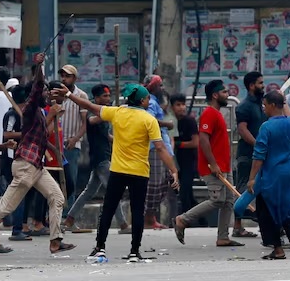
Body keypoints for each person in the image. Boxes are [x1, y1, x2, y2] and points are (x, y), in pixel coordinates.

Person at [60, 82, 180, 262]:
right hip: (139, 172)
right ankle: (134, 252)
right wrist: (173, 170)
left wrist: (69, 95)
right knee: (137, 211)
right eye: (147, 97)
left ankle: (100, 247)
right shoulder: (149, 120)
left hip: (117, 170)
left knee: (107, 210)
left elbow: (89, 106)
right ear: (141, 100)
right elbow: (161, 148)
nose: (149, 100)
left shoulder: (117, 112)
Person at [0, 53, 75, 255]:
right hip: (26, 165)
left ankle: (55, 241)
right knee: (5, 207)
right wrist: (39, 67)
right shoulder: (30, 108)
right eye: (45, 91)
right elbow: (37, 89)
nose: (46, 93)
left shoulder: (41, 113)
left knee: (57, 197)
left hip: (36, 166)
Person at [234, 91, 290, 260]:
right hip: (289, 171)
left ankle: (278, 249)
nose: (263, 108)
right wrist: (283, 100)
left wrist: (252, 178)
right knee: (289, 206)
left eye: (265, 105)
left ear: (273, 105)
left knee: (267, 209)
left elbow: (259, 155)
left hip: (271, 173)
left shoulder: (266, 127)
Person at [174, 80, 240, 247]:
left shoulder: (217, 113)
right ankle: (183, 219)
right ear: (215, 95)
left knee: (228, 200)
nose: (227, 95)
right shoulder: (209, 113)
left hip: (224, 165)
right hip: (214, 166)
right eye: (224, 92)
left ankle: (223, 237)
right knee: (217, 200)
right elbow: (203, 139)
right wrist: (213, 163)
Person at [64, 85, 130, 233]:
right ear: (97, 98)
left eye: (108, 96)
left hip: (103, 157)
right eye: (104, 96)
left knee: (89, 192)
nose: (107, 99)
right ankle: (124, 225)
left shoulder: (105, 114)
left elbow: (106, 136)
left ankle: (69, 220)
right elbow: (92, 121)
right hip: (101, 159)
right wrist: (114, 111)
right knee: (114, 190)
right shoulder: (93, 114)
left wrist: (121, 141)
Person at [233, 71, 264, 238]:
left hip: (259, 155)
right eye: (260, 83)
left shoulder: (259, 104)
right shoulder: (245, 106)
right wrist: (257, 145)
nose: (263, 86)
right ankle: (237, 226)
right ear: (252, 85)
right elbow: (243, 130)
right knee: (243, 188)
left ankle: (263, 222)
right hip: (247, 155)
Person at [144, 75, 175, 230]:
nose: (162, 88)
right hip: (155, 149)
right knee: (155, 184)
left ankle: (151, 216)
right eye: (160, 85)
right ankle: (148, 217)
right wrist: (166, 123)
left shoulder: (156, 103)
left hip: (163, 148)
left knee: (166, 183)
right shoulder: (150, 102)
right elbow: (148, 120)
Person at [0, 85, 31, 241]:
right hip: (12, 159)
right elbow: (7, 134)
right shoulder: (13, 114)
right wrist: (26, 133)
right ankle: (16, 228)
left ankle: (18, 225)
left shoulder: (24, 114)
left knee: (19, 195)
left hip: (23, 158)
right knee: (17, 195)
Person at [58, 65, 89, 211]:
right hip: (55, 145)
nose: (64, 79)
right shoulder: (56, 93)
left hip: (71, 144)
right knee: (54, 181)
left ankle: (68, 215)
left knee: (71, 180)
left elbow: (84, 124)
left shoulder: (81, 96)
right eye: (62, 75)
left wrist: (74, 139)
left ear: (74, 78)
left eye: (67, 76)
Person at [172, 93, 199, 216]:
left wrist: (178, 144)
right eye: (178, 105)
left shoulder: (189, 121)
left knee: (185, 191)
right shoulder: (171, 122)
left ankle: (186, 218)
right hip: (176, 161)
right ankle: (201, 220)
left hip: (189, 161)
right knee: (188, 194)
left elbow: (195, 143)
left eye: (183, 104)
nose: (182, 107)